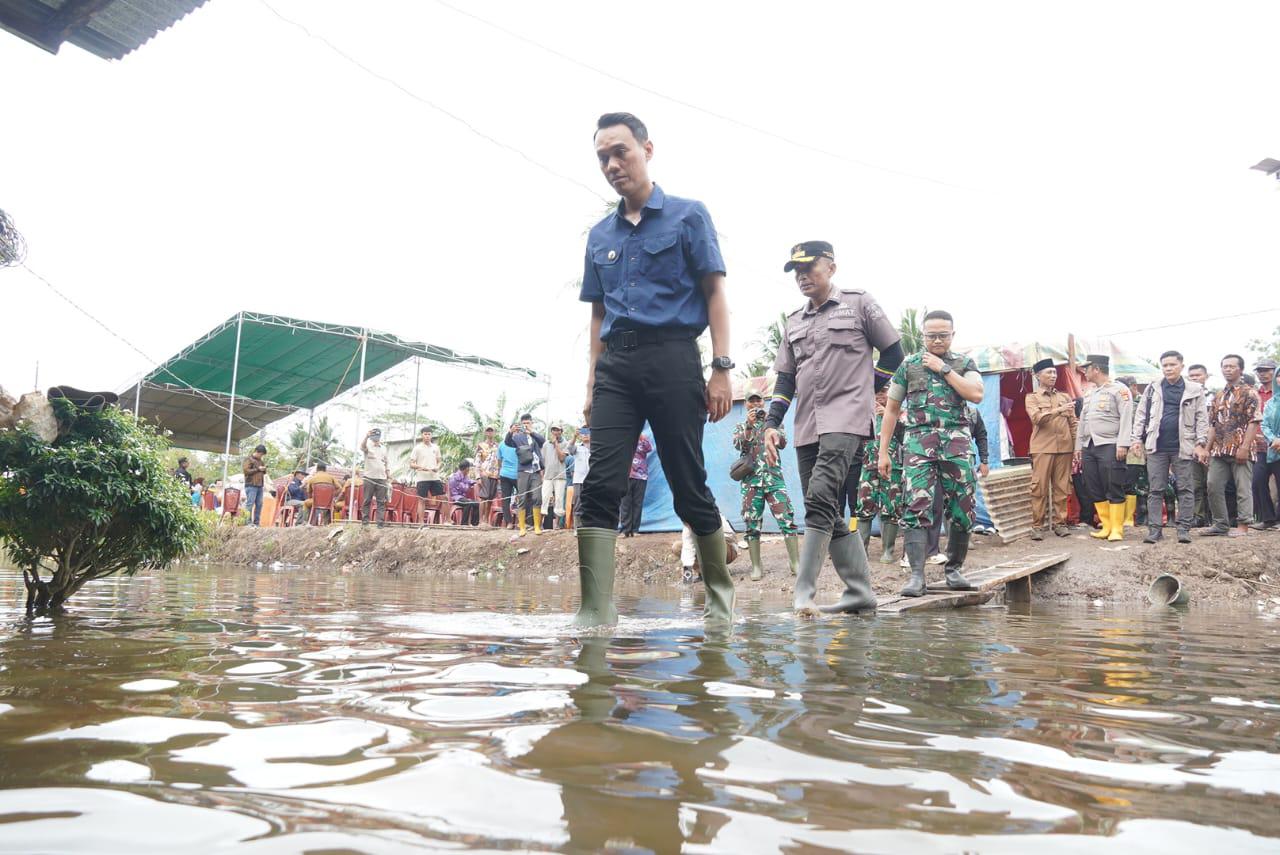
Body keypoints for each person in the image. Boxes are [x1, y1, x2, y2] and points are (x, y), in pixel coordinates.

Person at [576, 111, 734, 627]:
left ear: (647, 148)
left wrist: (721, 369)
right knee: (601, 483)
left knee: (688, 482)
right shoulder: (600, 235)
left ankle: (719, 600)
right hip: (616, 367)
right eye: (602, 156)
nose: (612, 164)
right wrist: (591, 381)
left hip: (673, 359)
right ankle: (595, 609)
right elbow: (598, 314)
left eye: (620, 151)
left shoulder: (689, 216)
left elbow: (715, 294)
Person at [765, 240, 904, 614]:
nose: (802, 276)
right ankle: (859, 591)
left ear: (831, 267)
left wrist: (868, 388)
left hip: (848, 417)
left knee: (818, 497)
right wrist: (771, 423)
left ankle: (803, 595)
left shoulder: (859, 303)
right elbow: (785, 380)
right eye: (796, 271)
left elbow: (894, 351)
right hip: (807, 423)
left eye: (809, 267)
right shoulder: (794, 321)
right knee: (823, 506)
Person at [879, 310, 982, 597]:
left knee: (963, 506)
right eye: (931, 335)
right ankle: (916, 575)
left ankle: (954, 569)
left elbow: (976, 394)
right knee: (916, 506)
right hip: (917, 443)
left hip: (957, 442)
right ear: (922, 336)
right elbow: (891, 409)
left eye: (943, 335)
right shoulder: (908, 366)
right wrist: (883, 452)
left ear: (952, 334)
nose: (937, 340)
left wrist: (944, 369)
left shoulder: (964, 363)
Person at [1128, 350, 1208, 544]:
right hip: (1156, 446)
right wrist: (1136, 439)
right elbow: (1141, 415)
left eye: (1172, 364)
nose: (1168, 368)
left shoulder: (1194, 389)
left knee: (1185, 489)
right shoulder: (1153, 388)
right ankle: (1155, 530)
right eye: (1165, 365)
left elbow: (1201, 417)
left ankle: (1183, 529)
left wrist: (1200, 443)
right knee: (1155, 489)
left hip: (1183, 446)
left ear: (1181, 365)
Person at [733, 393, 799, 580]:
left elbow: (783, 443)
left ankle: (795, 562)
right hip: (751, 482)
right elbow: (739, 445)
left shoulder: (775, 422)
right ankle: (756, 566)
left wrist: (773, 429)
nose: (755, 404)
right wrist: (749, 425)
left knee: (787, 519)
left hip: (774, 479)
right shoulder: (740, 426)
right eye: (751, 400)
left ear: (764, 402)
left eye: (758, 400)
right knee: (752, 523)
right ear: (745, 404)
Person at [1074, 354, 1134, 543]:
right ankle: (1106, 526)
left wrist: (1123, 443)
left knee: (1113, 484)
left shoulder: (1119, 389)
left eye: (1087, 368)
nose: (1085, 372)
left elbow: (1126, 417)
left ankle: (1117, 528)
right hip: (1089, 445)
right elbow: (1082, 422)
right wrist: (1078, 447)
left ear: (1096, 369)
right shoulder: (1091, 393)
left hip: (1110, 444)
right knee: (1093, 485)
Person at [1203, 354, 1261, 537]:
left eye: (1231, 366)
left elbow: (1254, 422)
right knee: (1213, 485)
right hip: (1219, 450)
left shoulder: (1249, 392)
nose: (1227, 369)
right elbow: (1213, 424)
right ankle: (1220, 523)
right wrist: (1206, 449)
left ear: (1240, 369)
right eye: (1225, 366)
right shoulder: (1218, 395)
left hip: (1241, 449)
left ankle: (1243, 525)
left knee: (1243, 488)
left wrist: (1244, 447)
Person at [1025, 358, 1077, 539]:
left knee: (1062, 488)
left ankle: (1060, 524)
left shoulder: (1064, 397)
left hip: (1065, 448)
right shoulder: (1031, 397)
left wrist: (1076, 447)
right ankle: (1037, 526)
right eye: (1049, 372)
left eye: (1054, 372)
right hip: (1042, 448)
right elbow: (1037, 419)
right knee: (1038, 488)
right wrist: (1058, 411)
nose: (1053, 375)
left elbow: (1073, 423)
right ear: (1038, 375)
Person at [855, 388, 904, 564]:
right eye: (876, 393)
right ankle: (862, 551)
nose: (880, 396)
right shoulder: (864, 415)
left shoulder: (902, 414)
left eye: (884, 392)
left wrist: (892, 417)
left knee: (891, 508)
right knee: (864, 506)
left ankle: (888, 551)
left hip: (893, 468)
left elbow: (906, 438)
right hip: (868, 468)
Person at [1250, 358, 1279, 530]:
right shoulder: (1254, 394)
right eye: (1259, 370)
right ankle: (1267, 519)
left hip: (1277, 444)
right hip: (1260, 445)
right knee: (1258, 481)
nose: (1262, 373)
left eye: (1267, 370)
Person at [506, 414, 545, 536]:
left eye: (528, 422)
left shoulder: (535, 436)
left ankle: (537, 526)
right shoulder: (518, 437)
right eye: (524, 423)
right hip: (523, 471)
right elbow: (508, 442)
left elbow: (543, 441)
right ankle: (522, 527)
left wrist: (531, 432)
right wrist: (510, 432)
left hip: (536, 471)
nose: (526, 425)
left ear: (532, 423)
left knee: (537, 497)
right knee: (522, 498)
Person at [1115, 376, 1147, 529]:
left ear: (1133, 387)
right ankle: (1118, 518)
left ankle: (1129, 518)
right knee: (1117, 483)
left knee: (1131, 484)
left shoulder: (1142, 404)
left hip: (1135, 448)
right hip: (1117, 447)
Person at [1187, 363, 1213, 526]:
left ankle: (1214, 516)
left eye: (1198, 375)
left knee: (1211, 484)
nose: (1195, 378)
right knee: (1194, 483)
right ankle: (1198, 516)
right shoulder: (1186, 396)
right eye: (1192, 376)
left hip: (1211, 446)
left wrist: (1207, 446)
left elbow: (1214, 424)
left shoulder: (1214, 396)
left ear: (1206, 376)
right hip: (1190, 445)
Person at [618, 434, 653, 537]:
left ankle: (635, 530)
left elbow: (649, 448)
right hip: (625, 475)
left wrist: (641, 437)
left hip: (641, 476)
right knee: (625, 503)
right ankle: (625, 530)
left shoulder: (643, 438)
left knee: (638, 503)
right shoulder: (623, 437)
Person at [410, 426, 445, 524]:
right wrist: (420, 467)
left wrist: (437, 467)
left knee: (444, 497)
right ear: (422, 435)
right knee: (422, 500)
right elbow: (411, 464)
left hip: (434, 477)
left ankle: (447, 520)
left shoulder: (436, 447)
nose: (427, 436)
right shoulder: (417, 448)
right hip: (422, 478)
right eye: (425, 434)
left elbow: (439, 461)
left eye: (429, 434)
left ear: (431, 435)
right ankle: (421, 522)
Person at [359, 428, 391, 527]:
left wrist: (388, 474)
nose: (375, 439)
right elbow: (362, 447)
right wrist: (366, 436)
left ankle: (380, 523)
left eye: (377, 437)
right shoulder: (368, 445)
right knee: (367, 500)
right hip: (369, 477)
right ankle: (365, 522)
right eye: (373, 437)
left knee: (381, 501)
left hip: (381, 478)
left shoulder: (384, 448)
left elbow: (386, 462)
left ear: (379, 437)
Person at [541, 425, 569, 530]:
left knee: (559, 499)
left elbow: (562, 458)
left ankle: (556, 525)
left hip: (560, 476)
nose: (555, 432)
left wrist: (556, 444)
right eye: (553, 430)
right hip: (548, 475)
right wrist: (542, 476)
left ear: (561, 431)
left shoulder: (565, 443)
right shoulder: (546, 444)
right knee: (544, 498)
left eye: (557, 430)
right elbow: (543, 461)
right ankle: (540, 524)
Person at [475, 427, 501, 526]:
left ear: (494, 432)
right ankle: (481, 520)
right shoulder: (481, 445)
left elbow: (499, 460)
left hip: (494, 474)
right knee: (483, 497)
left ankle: (486, 520)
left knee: (490, 498)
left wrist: (499, 475)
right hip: (484, 473)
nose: (490, 433)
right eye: (488, 431)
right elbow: (477, 461)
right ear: (485, 433)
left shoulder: (497, 446)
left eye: (492, 431)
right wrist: (478, 476)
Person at [498, 424, 520, 528]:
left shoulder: (503, 444)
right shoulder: (503, 444)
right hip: (507, 474)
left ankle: (515, 522)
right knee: (507, 499)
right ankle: (510, 522)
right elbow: (499, 460)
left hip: (514, 474)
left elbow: (499, 460)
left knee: (516, 498)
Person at [242, 444, 268, 526]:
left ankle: (256, 523)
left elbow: (263, 472)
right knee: (250, 504)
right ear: (256, 452)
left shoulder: (261, 461)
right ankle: (247, 522)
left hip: (260, 485)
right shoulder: (248, 459)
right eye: (261, 454)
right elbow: (246, 471)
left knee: (259, 504)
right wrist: (258, 469)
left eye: (262, 455)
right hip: (251, 485)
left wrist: (264, 469)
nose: (261, 456)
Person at [569, 426, 591, 528]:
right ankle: (577, 527)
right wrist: (574, 436)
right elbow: (570, 449)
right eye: (583, 432)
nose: (585, 434)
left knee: (591, 502)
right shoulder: (577, 447)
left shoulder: (595, 447)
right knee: (578, 502)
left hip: (592, 480)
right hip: (578, 480)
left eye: (588, 432)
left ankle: (589, 526)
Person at [448, 460, 479, 526]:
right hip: (456, 497)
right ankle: (464, 524)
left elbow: (469, 481)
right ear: (467, 468)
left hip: (463, 497)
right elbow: (465, 488)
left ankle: (474, 524)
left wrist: (475, 482)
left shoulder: (464, 476)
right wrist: (469, 485)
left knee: (477, 504)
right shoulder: (455, 477)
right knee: (468, 503)